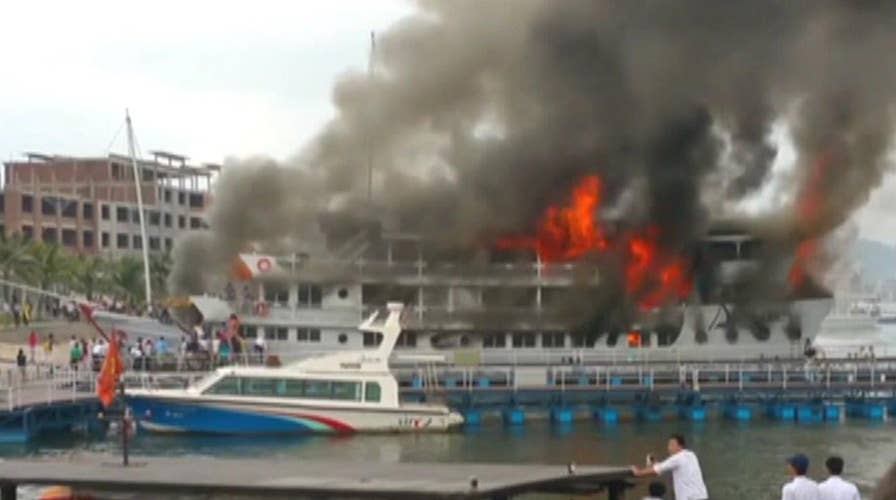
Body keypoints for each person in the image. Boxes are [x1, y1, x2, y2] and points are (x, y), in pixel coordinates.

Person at [631, 434, 708, 500]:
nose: (669, 448)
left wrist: (638, 473)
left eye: (672, 445)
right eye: (669, 445)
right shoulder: (691, 455)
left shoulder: (678, 458)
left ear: (680, 446)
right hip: (701, 496)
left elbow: (657, 470)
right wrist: (655, 464)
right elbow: (664, 466)